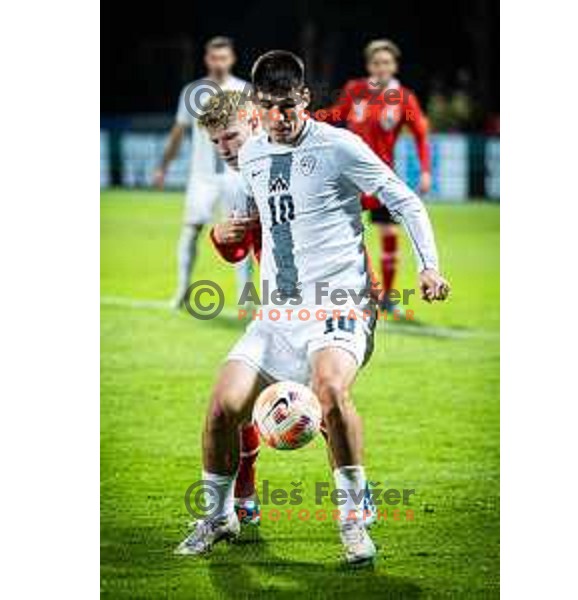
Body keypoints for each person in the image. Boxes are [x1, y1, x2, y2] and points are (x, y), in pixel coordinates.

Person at [177, 52, 449, 566]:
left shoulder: (339, 146)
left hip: (339, 304)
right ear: (257, 106)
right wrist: (223, 235)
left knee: (329, 389)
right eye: (269, 108)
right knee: (221, 406)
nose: (280, 118)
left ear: (304, 99)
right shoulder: (251, 157)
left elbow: (405, 199)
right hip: (276, 316)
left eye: (288, 106)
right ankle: (219, 516)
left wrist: (428, 267)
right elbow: (246, 233)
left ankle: (352, 521)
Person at [323, 39, 432, 312]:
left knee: (388, 235)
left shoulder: (404, 98)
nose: (381, 68)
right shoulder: (356, 89)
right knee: (341, 235)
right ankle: (352, 290)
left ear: (394, 66)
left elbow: (421, 135)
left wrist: (426, 170)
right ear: (369, 66)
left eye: (386, 62)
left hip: (380, 176)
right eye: (376, 63)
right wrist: (306, 119)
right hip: (347, 176)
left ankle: (388, 297)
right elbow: (335, 116)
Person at [153, 36, 252, 309]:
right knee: (190, 230)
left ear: (232, 59)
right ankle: (182, 291)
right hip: (202, 175)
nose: (219, 63)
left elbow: (257, 132)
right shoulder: (193, 91)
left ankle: (246, 299)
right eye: (214, 57)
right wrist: (163, 166)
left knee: (239, 231)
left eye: (224, 57)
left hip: (236, 173)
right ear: (207, 59)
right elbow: (178, 132)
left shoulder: (244, 90)